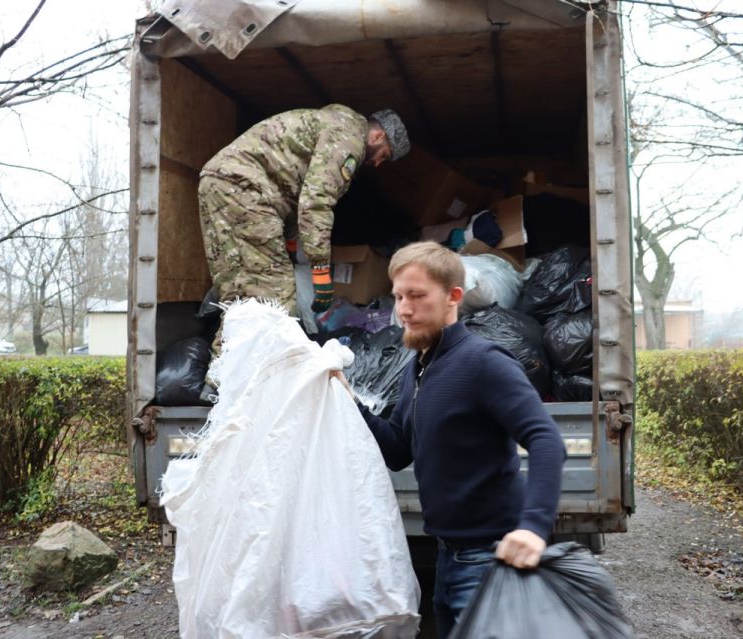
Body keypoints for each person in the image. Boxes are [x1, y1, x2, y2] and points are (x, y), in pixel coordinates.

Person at [335, 242, 566, 637]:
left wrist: (533, 526)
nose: (403, 309)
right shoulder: (418, 369)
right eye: (398, 297)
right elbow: (396, 451)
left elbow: (546, 439)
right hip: (448, 559)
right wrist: (348, 399)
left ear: (453, 297)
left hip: (489, 563)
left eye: (417, 296)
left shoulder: (484, 361)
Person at [198, 105, 410, 320]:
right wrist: (320, 271)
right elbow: (316, 202)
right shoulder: (349, 140)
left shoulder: (336, 122)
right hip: (247, 190)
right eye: (384, 155)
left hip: (221, 183)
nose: (377, 163)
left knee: (237, 287)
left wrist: (290, 247)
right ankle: (267, 352)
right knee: (276, 294)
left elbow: (293, 195)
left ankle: (230, 351)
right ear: (378, 136)